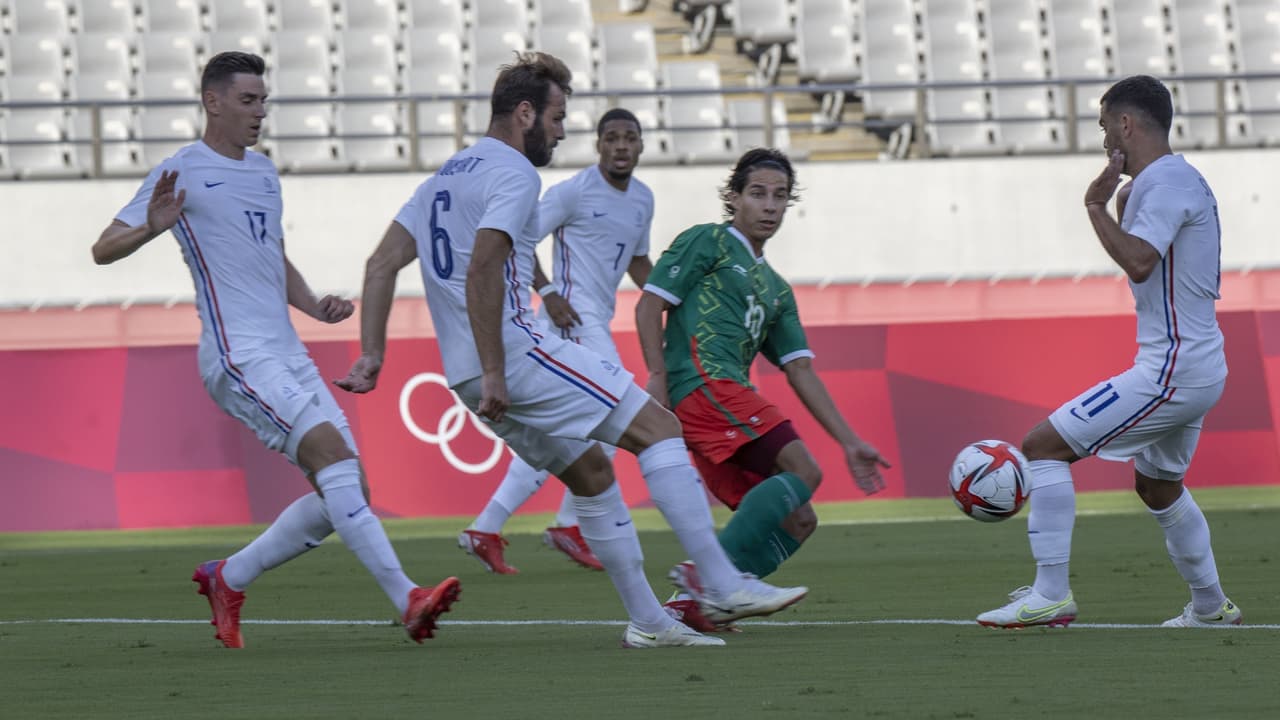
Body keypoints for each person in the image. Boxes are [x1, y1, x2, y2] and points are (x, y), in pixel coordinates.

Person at [336, 51, 808, 648]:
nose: (561, 132)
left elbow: (380, 264)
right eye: (557, 117)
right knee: (660, 428)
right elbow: (484, 268)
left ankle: (650, 623)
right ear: (525, 113)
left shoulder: (444, 177)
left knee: (590, 474)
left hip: (463, 374)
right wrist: (497, 367)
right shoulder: (515, 173)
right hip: (514, 353)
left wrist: (372, 354)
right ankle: (720, 581)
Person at [91, 51, 460, 648]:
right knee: (334, 461)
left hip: (287, 351)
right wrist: (151, 227)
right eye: (248, 100)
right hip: (238, 355)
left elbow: (270, 253)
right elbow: (103, 249)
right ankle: (407, 599)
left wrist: (311, 304)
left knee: (350, 491)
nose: (260, 112)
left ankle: (229, 577)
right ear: (212, 102)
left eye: (263, 100)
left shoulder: (263, 172)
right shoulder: (182, 170)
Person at [976, 75, 1240, 629]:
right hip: (1197, 361)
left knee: (1042, 447)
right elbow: (1150, 255)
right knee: (1158, 486)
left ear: (1125, 124)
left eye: (1104, 128)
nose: (1103, 141)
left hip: (1171, 370)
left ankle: (1050, 594)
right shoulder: (1174, 179)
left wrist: (1095, 204)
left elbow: (1140, 261)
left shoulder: (1164, 183)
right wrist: (1119, 201)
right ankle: (1211, 607)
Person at [635, 148, 890, 630]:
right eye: (757, 194)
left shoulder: (776, 289)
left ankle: (691, 608)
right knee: (803, 469)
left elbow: (801, 370)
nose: (770, 206)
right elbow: (649, 305)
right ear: (734, 198)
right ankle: (710, 579)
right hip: (704, 384)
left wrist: (851, 441)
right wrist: (657, 377)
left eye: (779, 196)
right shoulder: (708, 241)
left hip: (718, 401)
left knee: (799, 520)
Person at [460, 108, 654, 575]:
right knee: (616, 413)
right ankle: (568, 523)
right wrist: (547, 292)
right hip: (569, 319)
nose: (621, 146)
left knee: (559, 438)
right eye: (612, 137)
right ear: (598, 145)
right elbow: (517, 239)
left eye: (630, 138)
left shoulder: (643, 199)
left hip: (595, 320)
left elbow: (638, 261)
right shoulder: (573, 192)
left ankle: (486, 528)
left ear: (641, 145)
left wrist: (672, 298)